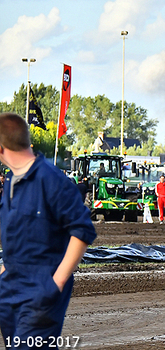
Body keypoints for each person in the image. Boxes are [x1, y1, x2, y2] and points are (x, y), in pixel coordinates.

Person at [0, 112, 96, 348]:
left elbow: (82, 230)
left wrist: (56, 283)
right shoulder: (12, 181)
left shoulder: (51, 180)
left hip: (41, 290)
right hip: (9, 287)